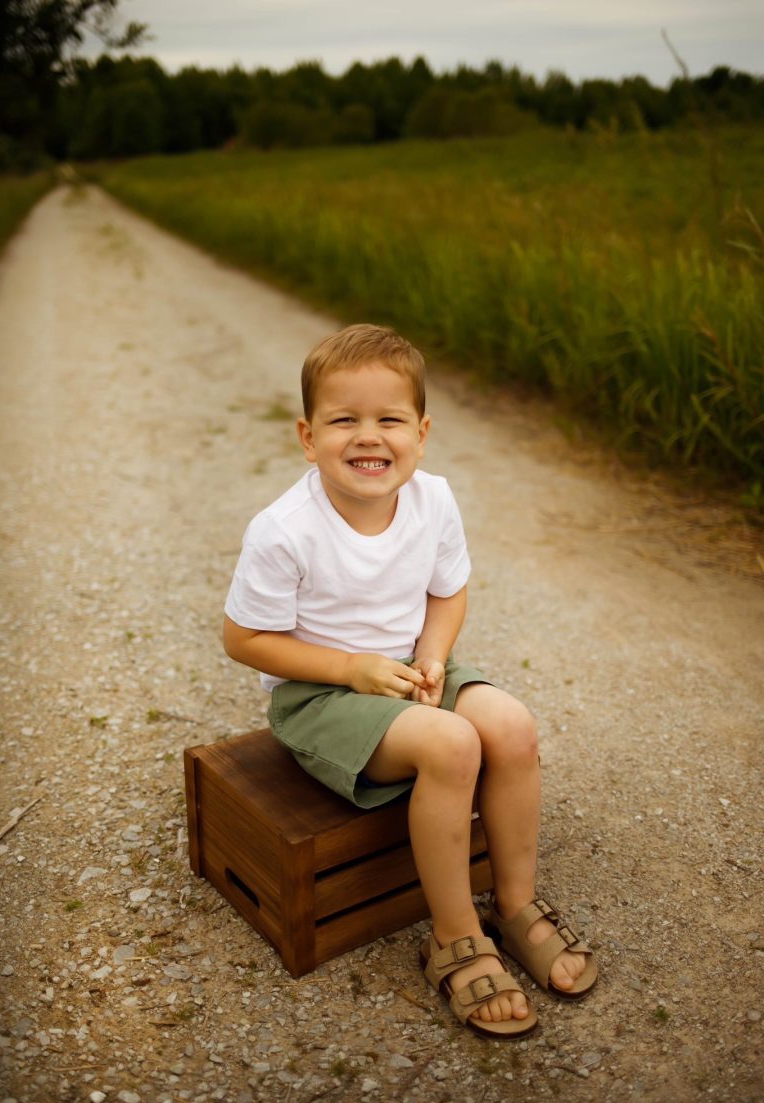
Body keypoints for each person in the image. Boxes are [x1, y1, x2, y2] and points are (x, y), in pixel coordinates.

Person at [223, 323, 597, 1039]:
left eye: (389, 419)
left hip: (410, 665)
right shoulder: (284, 530)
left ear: (421, 433)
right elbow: (243, 638)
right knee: (454, 746)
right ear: (307, 436)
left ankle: (514, 905)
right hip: (323, 694)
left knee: (511, 727)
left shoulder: (432, 499)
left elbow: (447, 592)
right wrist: (349, 668)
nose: (369, 437)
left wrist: (433, 654)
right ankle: (455, 937)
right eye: (344, 420)